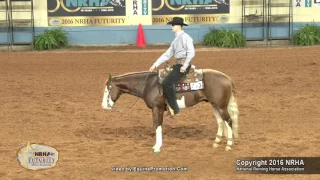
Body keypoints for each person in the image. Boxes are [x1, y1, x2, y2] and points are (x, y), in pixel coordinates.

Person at [149, 17, 195, 117]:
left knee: (166, 83)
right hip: (178, 64)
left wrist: (185, 65)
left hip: (182, 65)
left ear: (179, 26)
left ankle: (174, 109)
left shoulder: (185, 37)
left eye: (173, 25)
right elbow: (167, 54)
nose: (172, 26)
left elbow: (191, 52)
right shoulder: (176, 40)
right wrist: (155, 64)